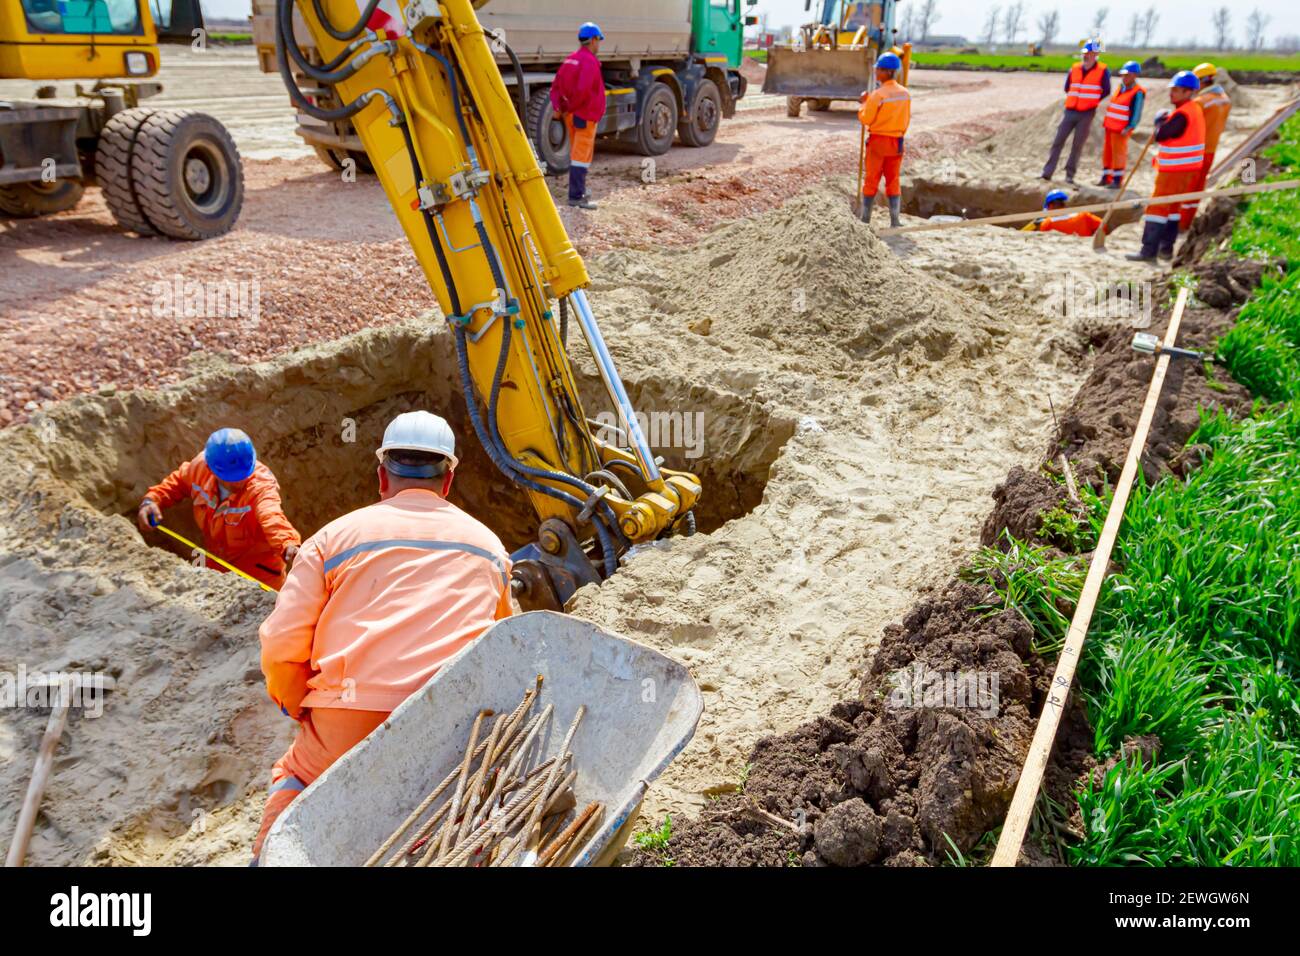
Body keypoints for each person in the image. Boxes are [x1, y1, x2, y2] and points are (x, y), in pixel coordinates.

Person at [252, 411, 513, 861]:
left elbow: (281, 642)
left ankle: (267, 858)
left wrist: (299, 704)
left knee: (296, 776)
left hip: (350, 717)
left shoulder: (332, 539)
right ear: (447, 481)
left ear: (381, 475)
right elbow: (508, 643)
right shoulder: (490, 548)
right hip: (453, 721)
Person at [137, 428, 300, 590]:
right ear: (211, 469)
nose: (239, 482)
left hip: (260, 574)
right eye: (232, 479)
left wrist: (287, 543)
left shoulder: (260, 486)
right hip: (216, 565)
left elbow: (271, 516)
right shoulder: (200, 468)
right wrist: (152, 500)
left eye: (243, 475)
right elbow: (178, 482)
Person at [1127, 71, 1206, 263]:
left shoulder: (1183, 114)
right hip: (1188, 169)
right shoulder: (1194, 110)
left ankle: (1148, 251)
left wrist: (1160, 125)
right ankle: (1166, 249)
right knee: (1173, 208)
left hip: (1175, 169)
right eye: (1172, 90)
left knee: (1157, 208)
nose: (1172, 94)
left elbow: (1163, 135)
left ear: (1188, 93)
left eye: (1176, 90)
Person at [550, 21, 606, 210]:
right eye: (598, 40)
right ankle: (576, 197)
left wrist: (562, 107)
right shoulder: (589, 61)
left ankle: (579, 189)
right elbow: (583, 91)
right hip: (584, 115)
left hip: (573, 115)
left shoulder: (570, 59)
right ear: (593, 40)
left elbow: (556, 87)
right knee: (581, 156)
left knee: (577, 154)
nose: (599, 45)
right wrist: (572, 107)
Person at [1042, 42, 1111, 185]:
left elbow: (1106, 90)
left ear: (1096, 55)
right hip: (1070, 110)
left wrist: (1091, 101)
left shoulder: (1102, 70)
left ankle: (1069, 175)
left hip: (1087, 113)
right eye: (1084, 53)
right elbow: (1068, 87)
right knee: (1058, 141)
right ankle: (1047, 173)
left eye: (1089, 53)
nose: (1086, 55)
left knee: (1077, 145)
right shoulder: (1074, 69)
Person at [857, 51, 911, 227]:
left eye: (878, 69)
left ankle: (865, 220)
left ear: (887, 72)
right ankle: (895, 221)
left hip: (878, 142)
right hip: (897, 142)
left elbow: (866, 119)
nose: (876, 72)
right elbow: (906, 119)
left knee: (872, 179)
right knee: (893, 179)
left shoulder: (878, 95)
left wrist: (863, 103)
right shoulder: (905, 94)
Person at [1180, 62, 1232, 229]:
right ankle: (1186, 221)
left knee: (1186, 188)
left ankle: (1180, 222)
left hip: (1195, 151)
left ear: (1201, 81)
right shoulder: (1225, 100)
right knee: (1197, 188)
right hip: (1211, 149)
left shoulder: (1200, 102)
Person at [1099, 61, 1145, 188]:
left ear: (1135, 75)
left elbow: (1136, 112)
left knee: (1119, 154)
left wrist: (1130, 127)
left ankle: (1117, 180)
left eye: (1128, 75)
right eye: (1123, 75)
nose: (1124, 77)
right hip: (1110, 126)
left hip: (1121, 129)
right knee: (1107, 153)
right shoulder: (1120, 88)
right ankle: (1106, 177)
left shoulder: (1138, 92)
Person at [1022, 189, 1105, 237]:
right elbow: (1103, 225)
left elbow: (1043, 239)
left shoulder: (1048, 223)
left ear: (1049, 206)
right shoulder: (1084, 215)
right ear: (1064, 204)